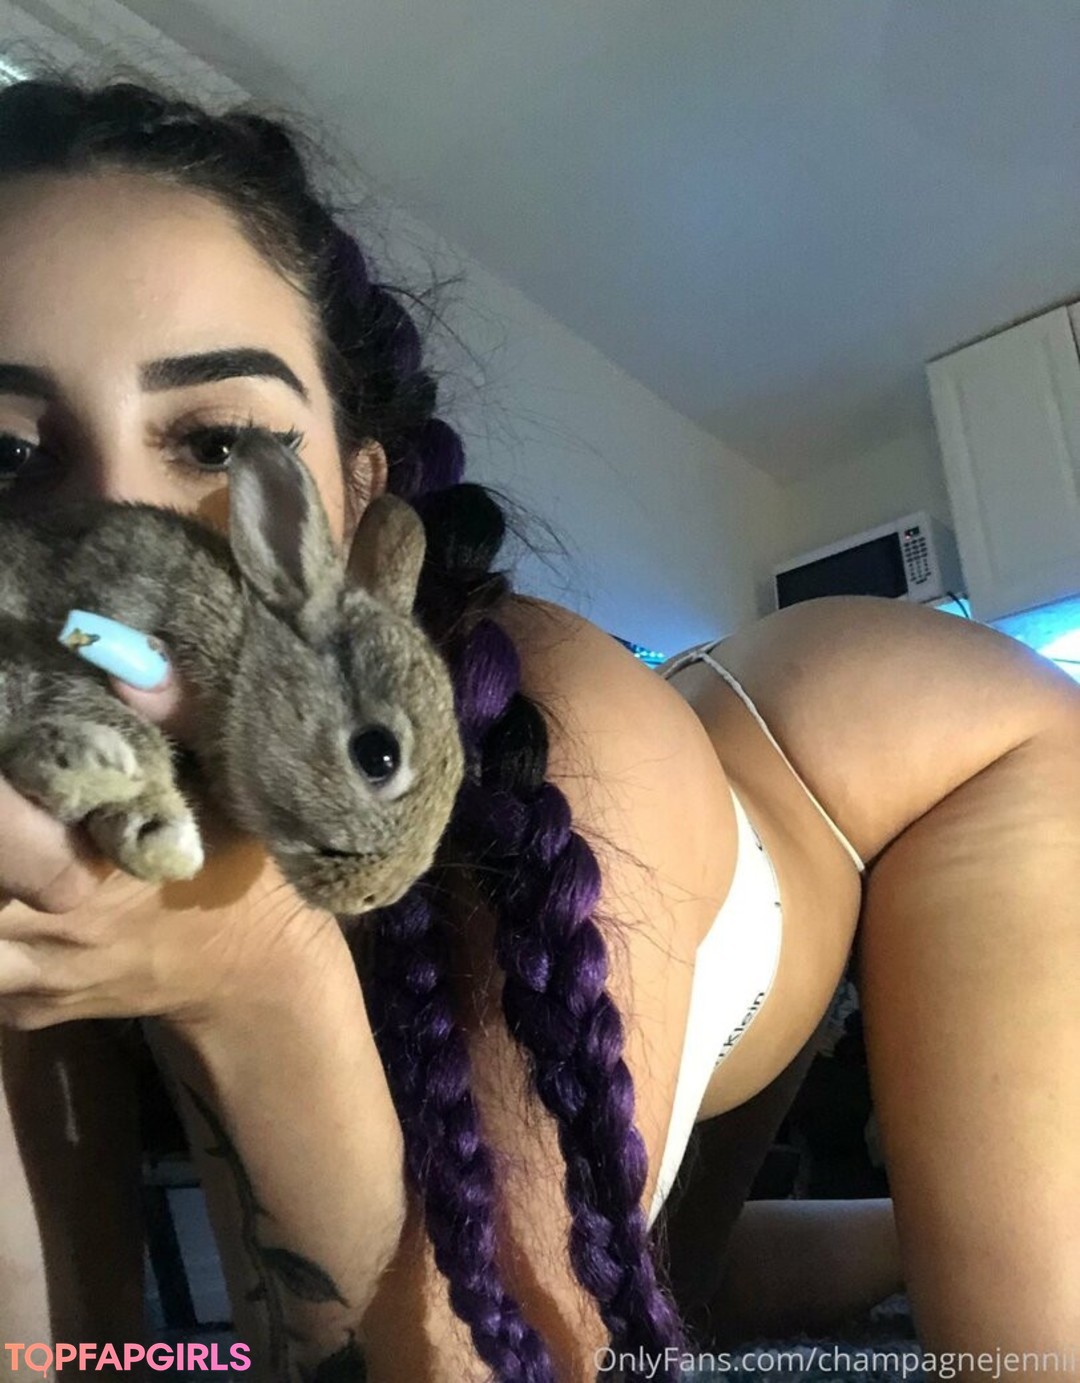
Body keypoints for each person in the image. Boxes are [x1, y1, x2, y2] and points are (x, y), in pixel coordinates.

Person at [0, 74, 1077, 1383]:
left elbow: (504, 1361)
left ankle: (953, 1212)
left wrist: (250, 973)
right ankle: (904, 1231)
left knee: (1014, 1346)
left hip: (923, 762)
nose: (118, 527)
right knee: (665, 1274)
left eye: (219, 442)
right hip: (691, 858)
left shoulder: (551, 741)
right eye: (9, 458)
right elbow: (57, 1344)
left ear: (353, 491)